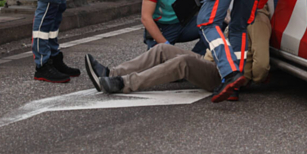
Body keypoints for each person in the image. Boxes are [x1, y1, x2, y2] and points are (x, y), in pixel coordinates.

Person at [85, 45, 225, 99]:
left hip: (223, 71)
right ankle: (111, 73)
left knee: (183, 62)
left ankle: (123, 83)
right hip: (211, 58)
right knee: (162, 49)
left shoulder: (246, 21)